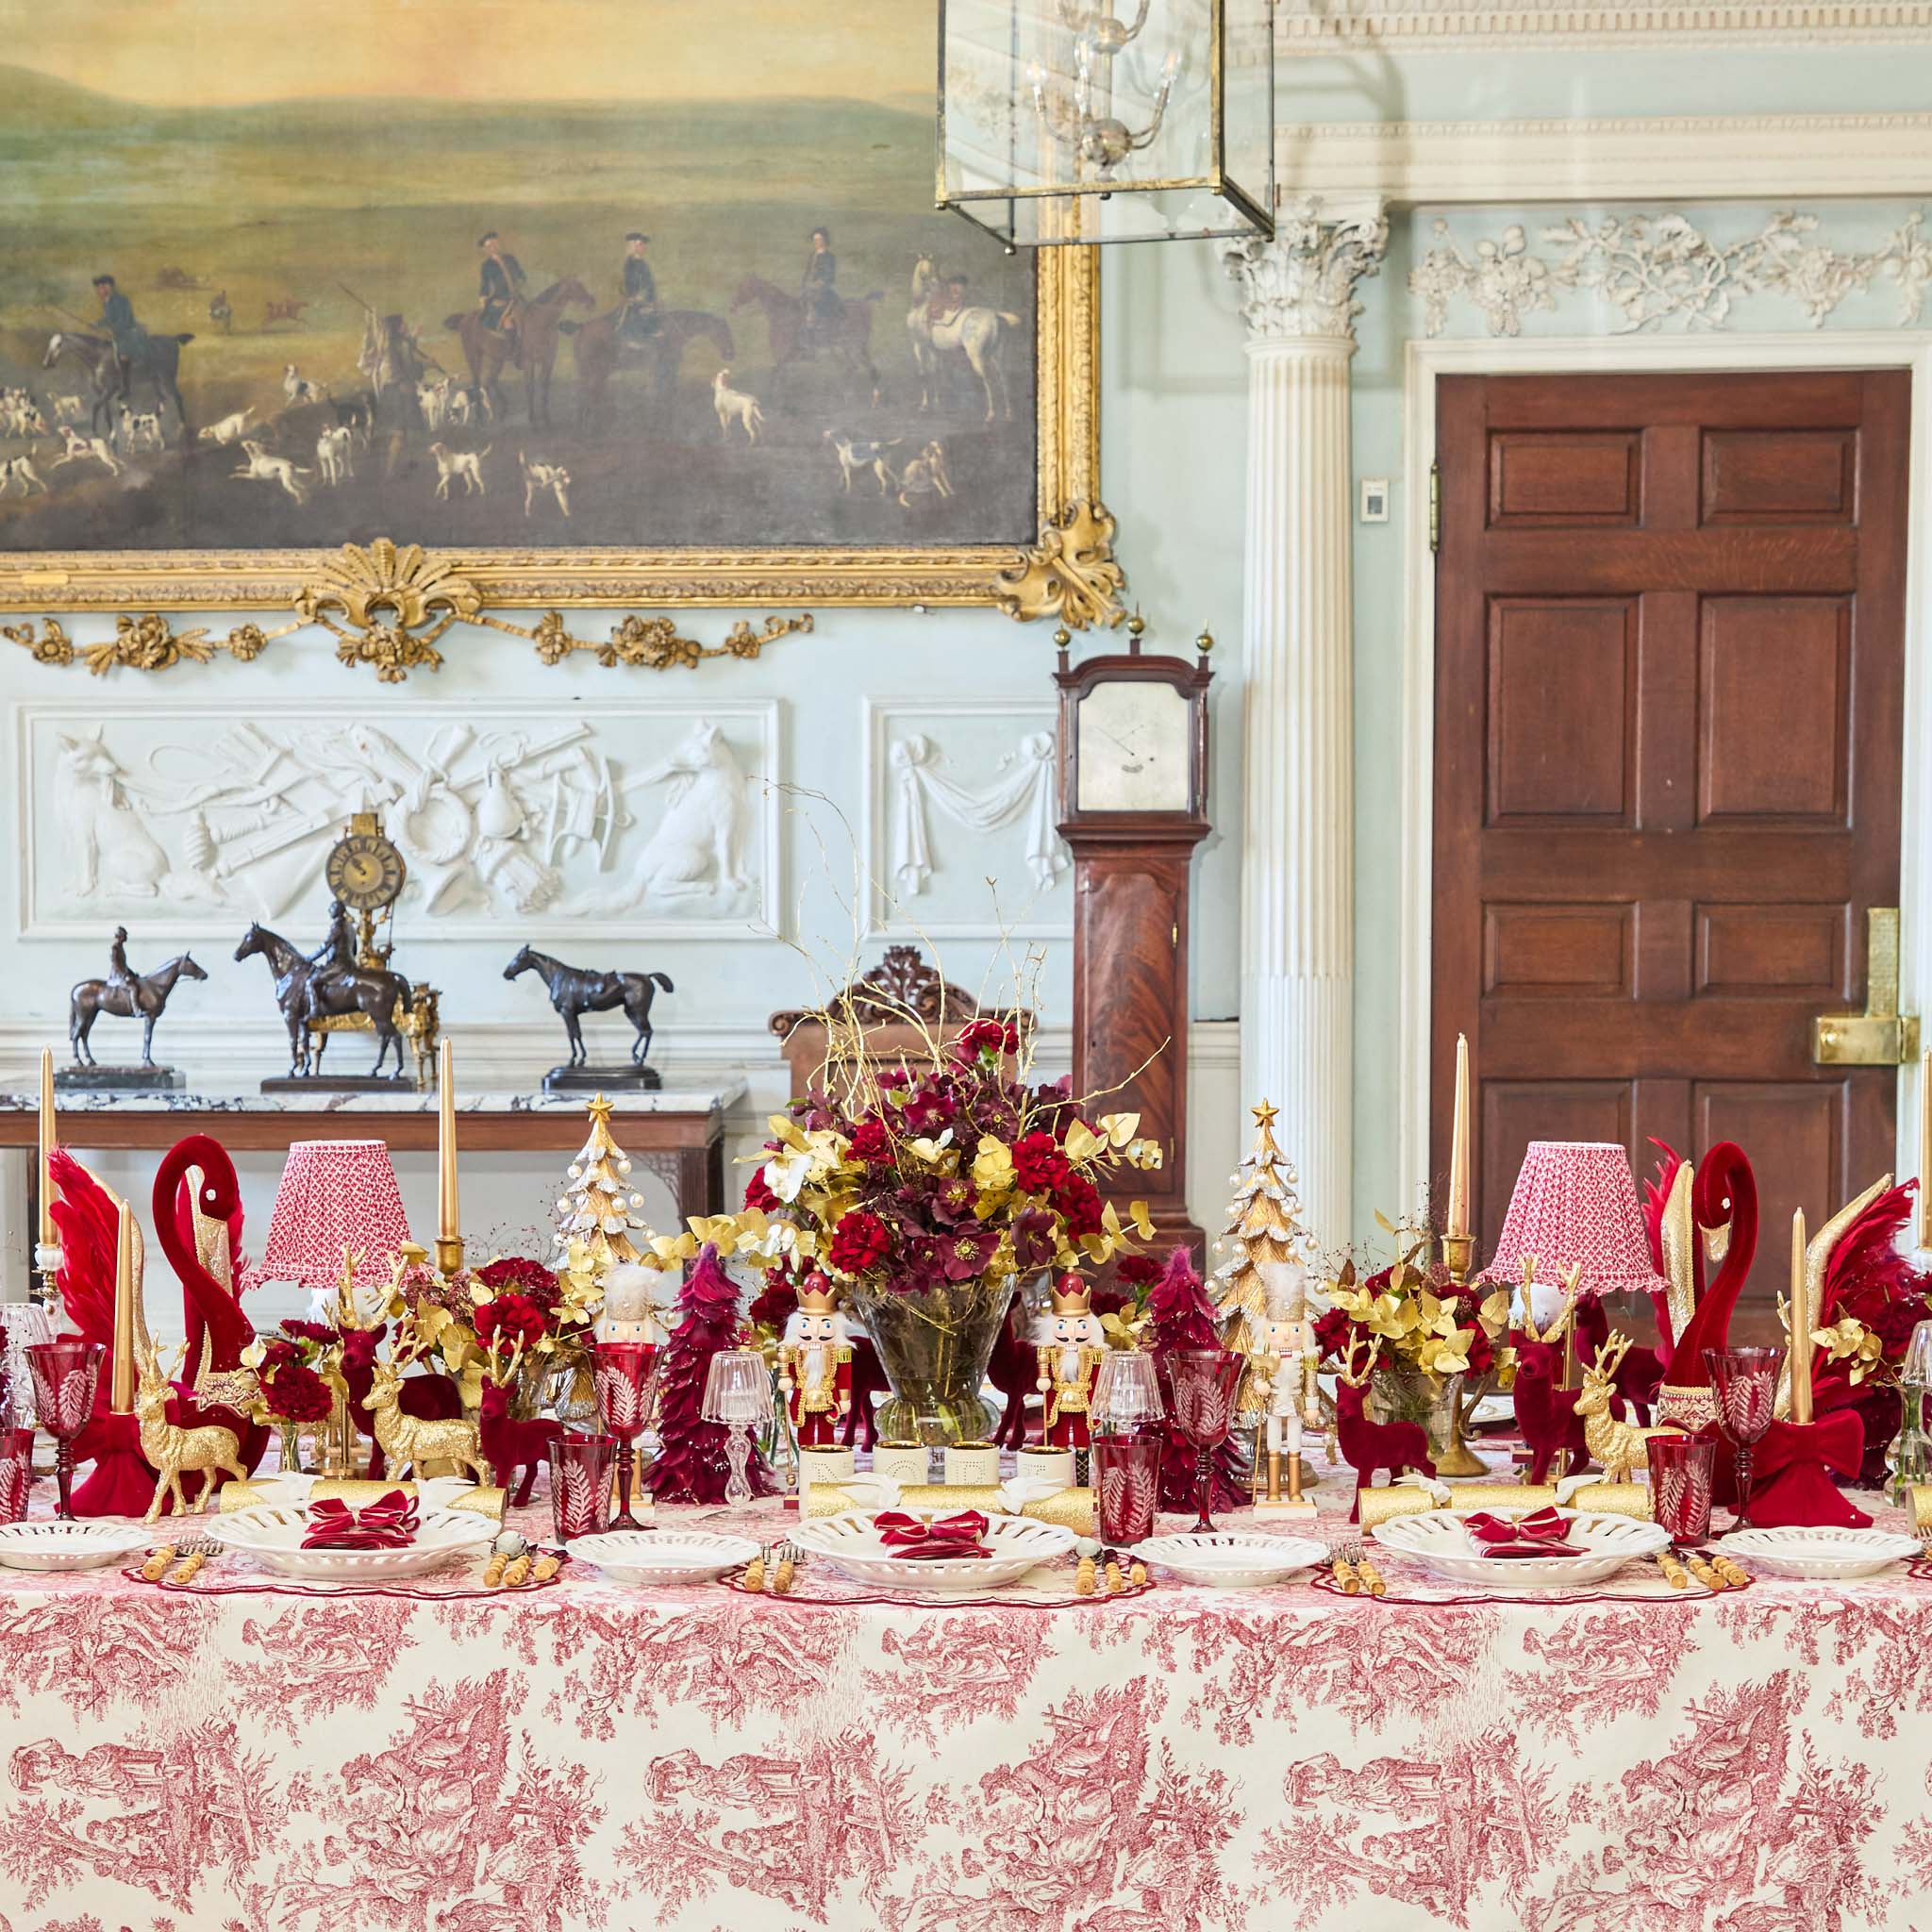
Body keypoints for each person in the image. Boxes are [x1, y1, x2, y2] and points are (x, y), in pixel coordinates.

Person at [476, 230, 525, 345]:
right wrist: (482, 301)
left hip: (516, 298)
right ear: (485, 250)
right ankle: (512, 350)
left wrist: (519, 284)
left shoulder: (510, 259)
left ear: (498, 243)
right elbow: (484, 287)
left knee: (530, 316)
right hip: (500, 301)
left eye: (493, 244)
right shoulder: (487, 266)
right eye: (488, 246)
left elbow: (522, 276)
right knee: (508, 322)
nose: (492, 248)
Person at [93, 274, 145, 381]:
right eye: (98, 287)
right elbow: (109, 319)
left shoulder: (121, 300)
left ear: (109, 287)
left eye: (102, 287)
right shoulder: (107, 302)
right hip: (117, 332)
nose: (99, 290)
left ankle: (126, 386)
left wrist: (113, 331)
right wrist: (97, 323)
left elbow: (125, 320)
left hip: (128, 332)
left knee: (123, 354)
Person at [617, 231, 661, 347]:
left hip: (648, 298)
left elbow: (649, 282)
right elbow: (630, 283)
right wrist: (638, 297)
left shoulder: (642, 262)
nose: (643, 247)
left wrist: (652, 298)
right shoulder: (630, 263)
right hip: (638, 300)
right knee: (644, 315)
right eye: (640, 244)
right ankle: (636, 341)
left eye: (643, 245)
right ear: (634, 247)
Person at [800, 226, 839, 348]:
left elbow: (829, 276)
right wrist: (804, 284)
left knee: (813, 307)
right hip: (808, 289)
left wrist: (817, 284)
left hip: (823, 290)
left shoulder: (829, 257)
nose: (817, 243)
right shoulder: (812, 256)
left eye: (819, 240)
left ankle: (813, 340)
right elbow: (807, 273)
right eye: (815, 240)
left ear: (824, 241)